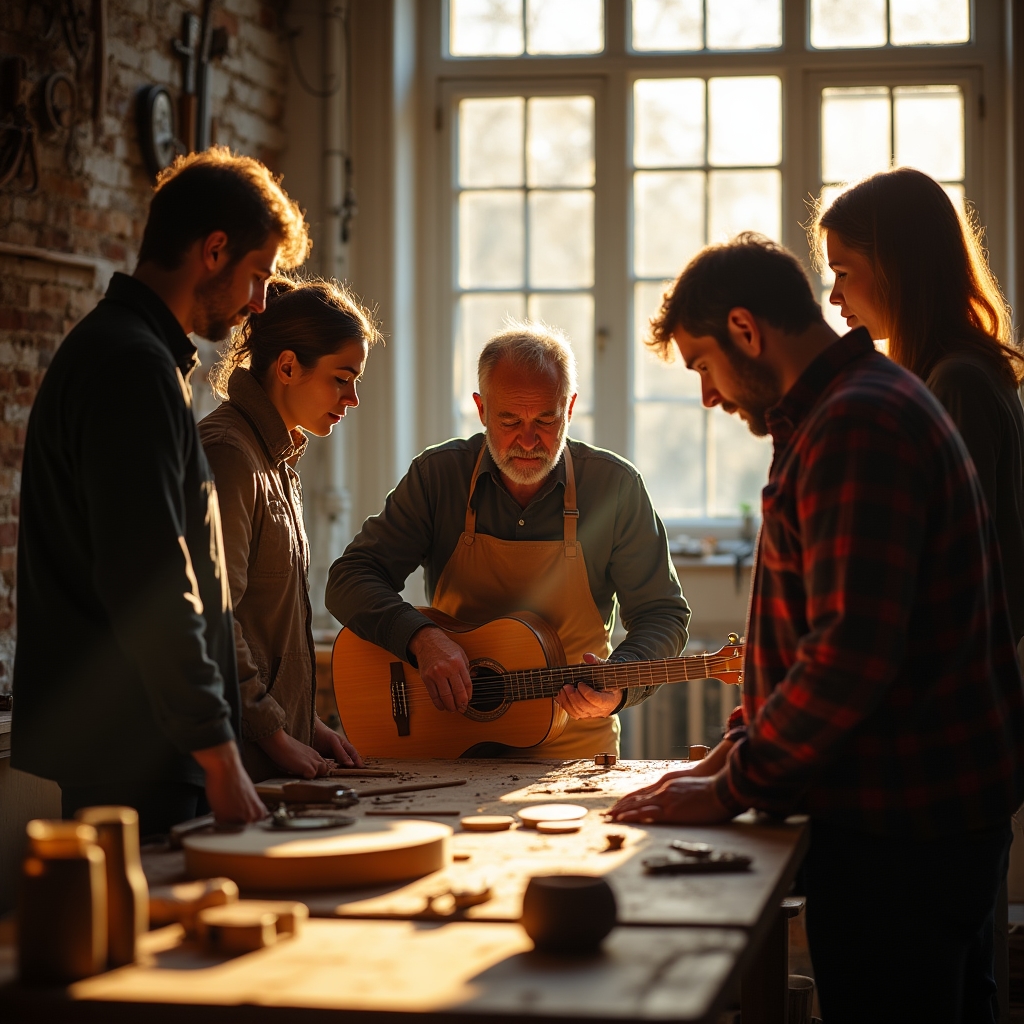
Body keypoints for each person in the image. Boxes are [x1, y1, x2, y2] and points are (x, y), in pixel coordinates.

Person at [608, 235, 1024, 1024]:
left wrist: (729, 788)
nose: (707, 396)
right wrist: (729, 754)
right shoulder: (842, 410)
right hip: (909, 819)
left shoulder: (856, 424)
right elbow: (810, 642)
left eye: (703, 365)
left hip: (905, 830)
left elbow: (847, 657)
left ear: (745, 329)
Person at [12, 147, 310, 836]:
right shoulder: (131, 365)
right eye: (258, 275)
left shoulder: (136, 355)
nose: (259, 302)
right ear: (214, 250)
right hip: (137, 747)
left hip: (148, 741)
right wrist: (220, 754)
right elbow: (150, 576)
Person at [327, 323, 690, 758]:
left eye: (546, 420)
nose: (528, 440)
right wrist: (421, 638)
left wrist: (619, 684)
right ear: (481, 410)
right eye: (509, 420)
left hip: (573, 752)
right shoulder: (438, 477)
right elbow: (350, 578)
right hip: (450, 744)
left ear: (570, 408)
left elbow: (662, 614)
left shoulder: (615, 487)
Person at [814, 167, 1024, 665]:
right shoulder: (957, 374)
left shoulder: (957, 383)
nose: (835, 296)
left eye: (843, 273)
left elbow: (953, 574)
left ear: (896, 266)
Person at [199, 277, 379, 781]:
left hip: (266, 752)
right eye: (342, 378)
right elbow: (215, 618)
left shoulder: (276, 462)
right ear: (287, 367)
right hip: (232, 762)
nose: (353, 398)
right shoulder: (229, 454)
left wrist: (307, 725)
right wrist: (276, 737)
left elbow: (267, 628)